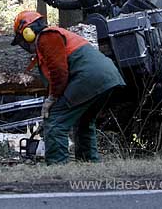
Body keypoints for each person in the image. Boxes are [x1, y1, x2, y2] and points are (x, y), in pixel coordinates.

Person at [11, 10, 125, 164]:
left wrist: (52, 100)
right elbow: (58, 76)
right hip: (107, 78)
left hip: (89, 78)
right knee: (84, 121)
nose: (23, 45)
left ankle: (58, 167)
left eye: (21, 40)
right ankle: (89, 163)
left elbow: (59, 71)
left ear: (27, 32)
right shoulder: (53, 36)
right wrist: (50, 99)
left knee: (55, 121)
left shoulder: (47, 37)